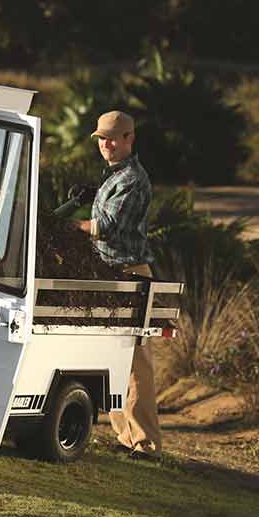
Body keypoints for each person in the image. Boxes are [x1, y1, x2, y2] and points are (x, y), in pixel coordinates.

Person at [77, 110, 161, 460]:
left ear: (130, 139)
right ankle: (124, 437)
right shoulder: (114, 175)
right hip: (107, 273)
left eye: (113, 138)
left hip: (130, 273)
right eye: (101, 139)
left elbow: (107, 226)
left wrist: (72, 227)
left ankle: (145, 444)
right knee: (107, 358)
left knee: (134, 362)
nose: (106, 144)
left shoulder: (133, 178)